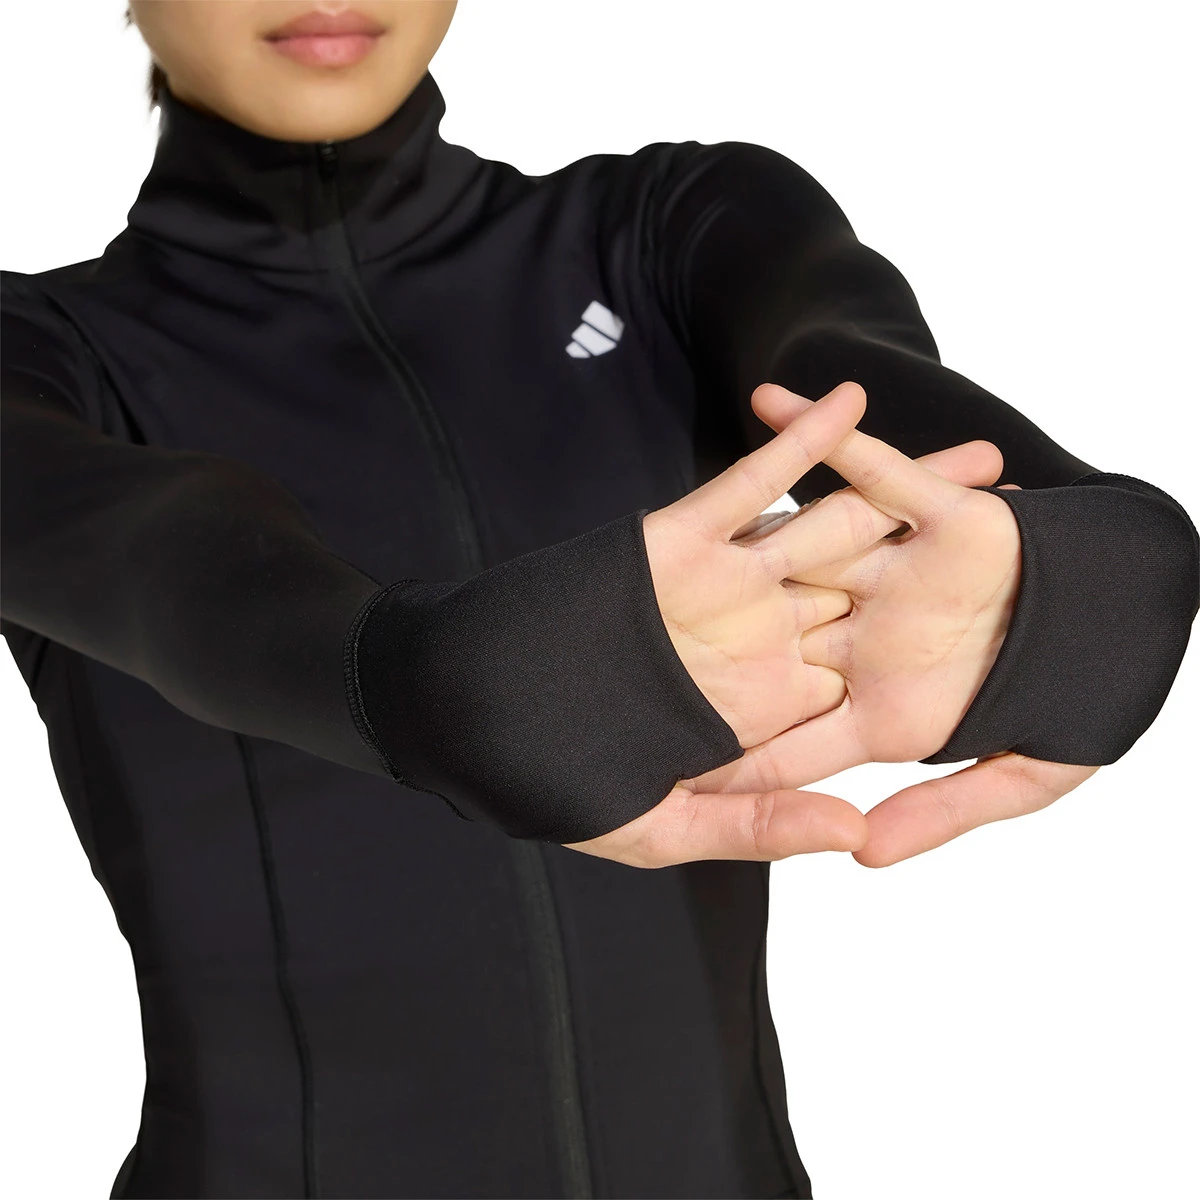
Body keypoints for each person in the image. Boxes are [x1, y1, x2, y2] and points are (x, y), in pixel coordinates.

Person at [2, 2, 1196, 1197]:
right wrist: (415, 680)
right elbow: (172, 553)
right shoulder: (40, 359)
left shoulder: (667, 233)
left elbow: (864, 380)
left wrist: (1072, 585)